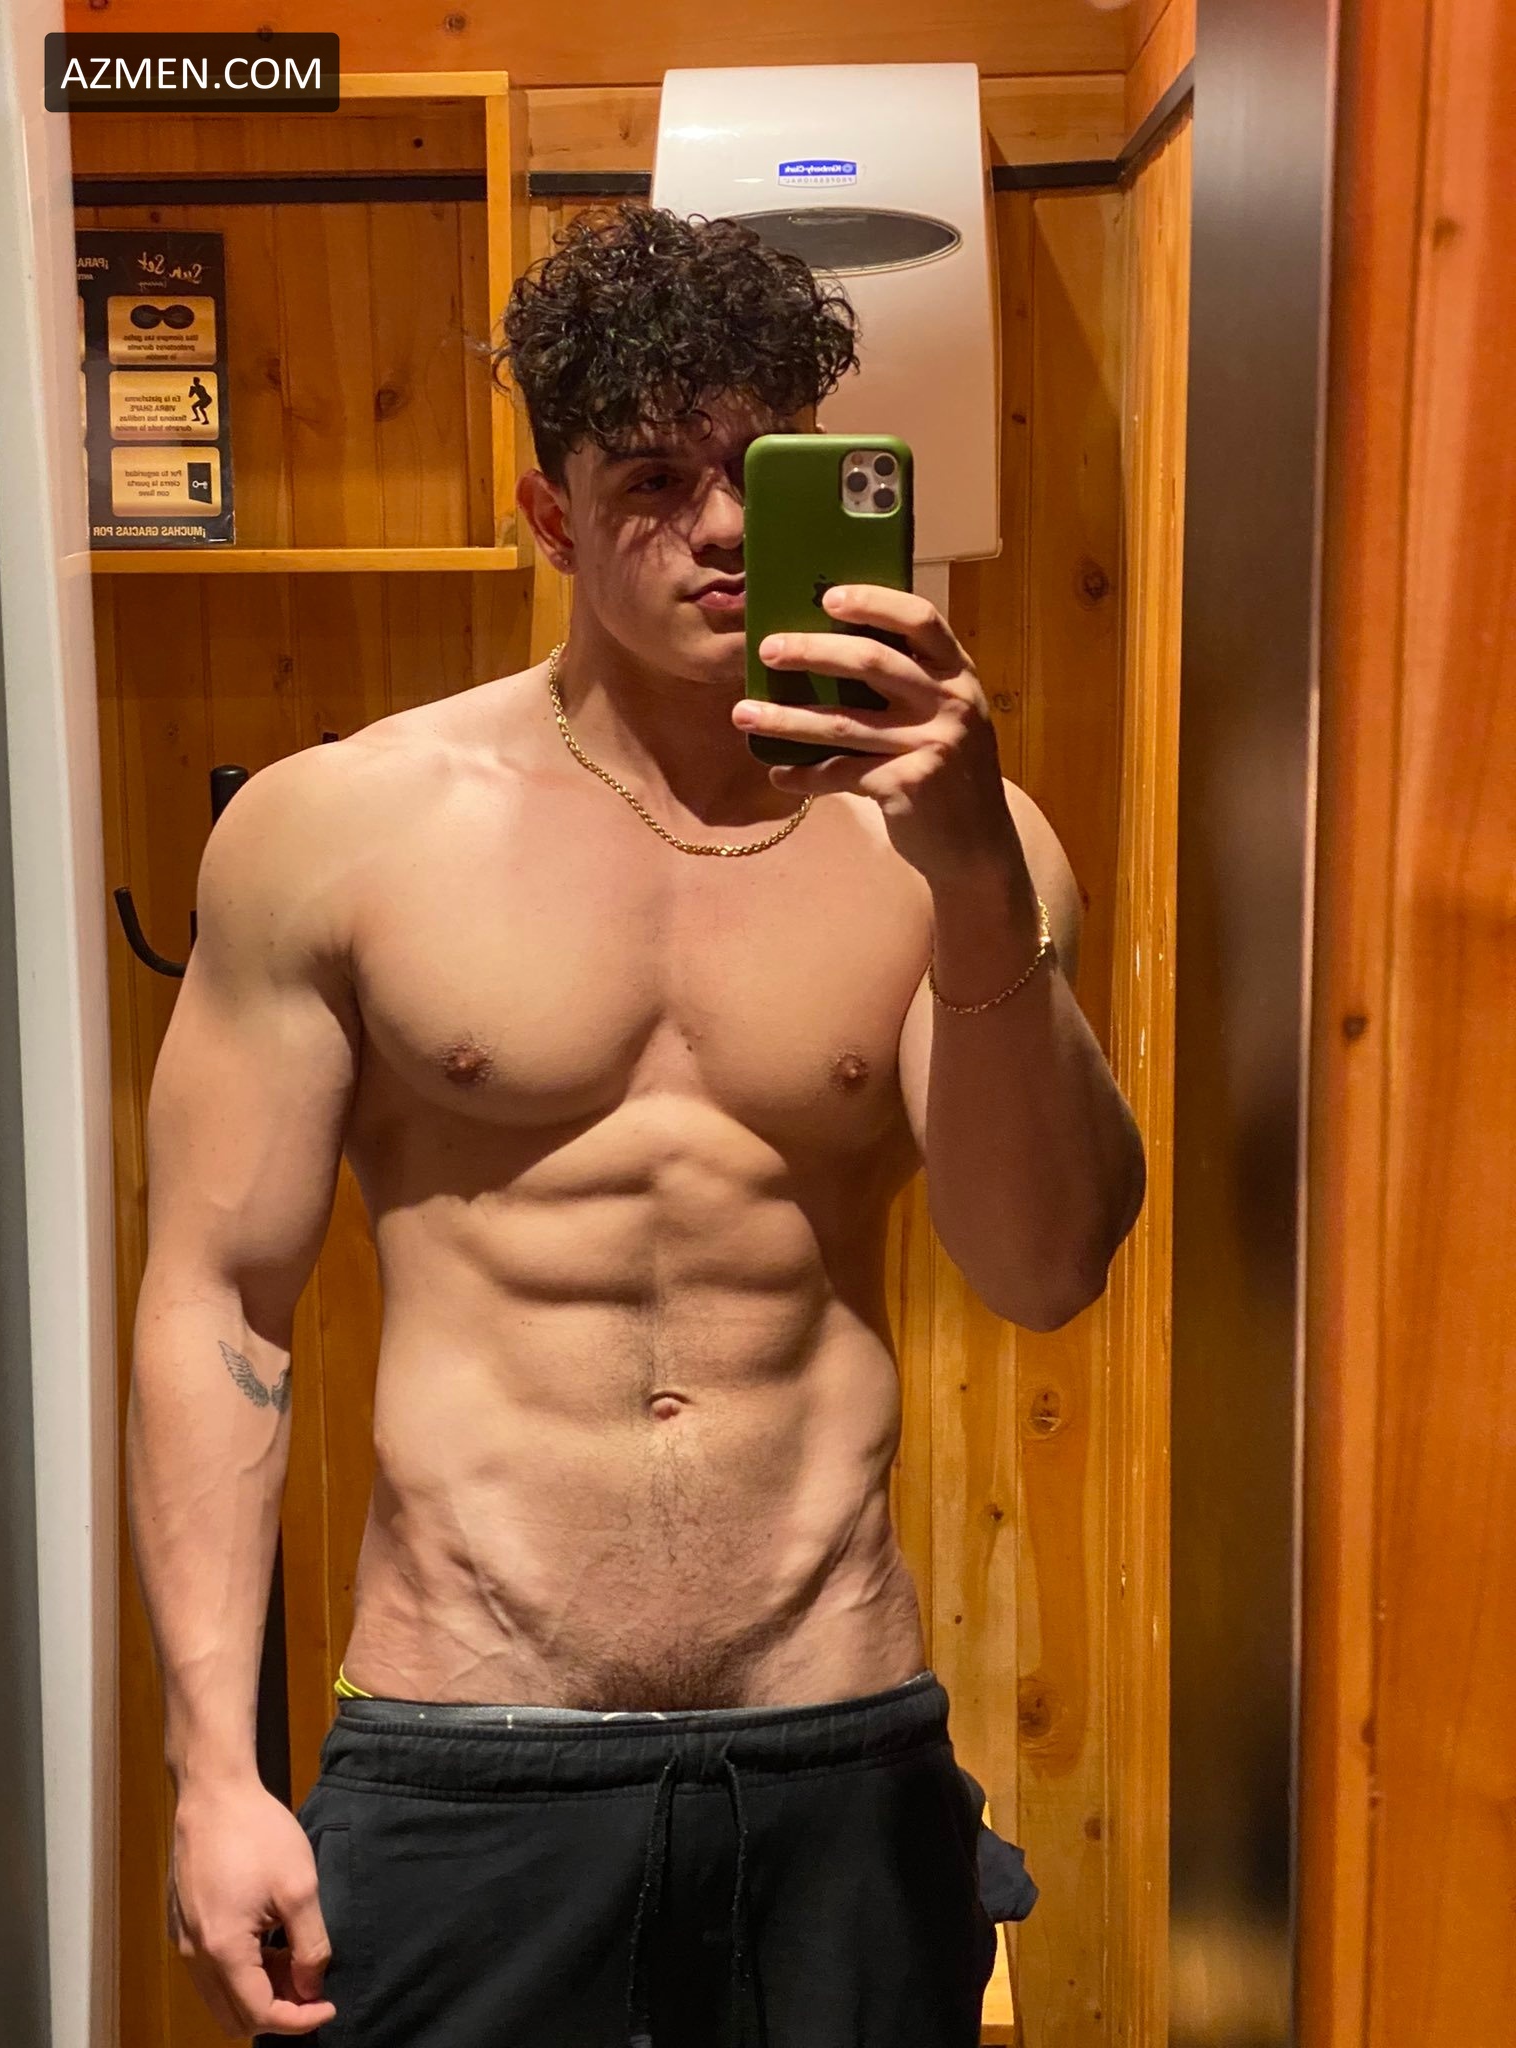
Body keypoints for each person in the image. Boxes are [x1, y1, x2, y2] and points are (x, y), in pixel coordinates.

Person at [127, 204, 1145, 2048]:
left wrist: (975, 878)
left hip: (834, 1742)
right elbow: (221, 1303)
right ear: (551, 515)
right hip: (466, 1749)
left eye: (766, 467)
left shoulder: (957, 842)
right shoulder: (339, 828)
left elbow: (1046, 1262)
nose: (726, 526)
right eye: (656, 479)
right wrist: (214, 1770)